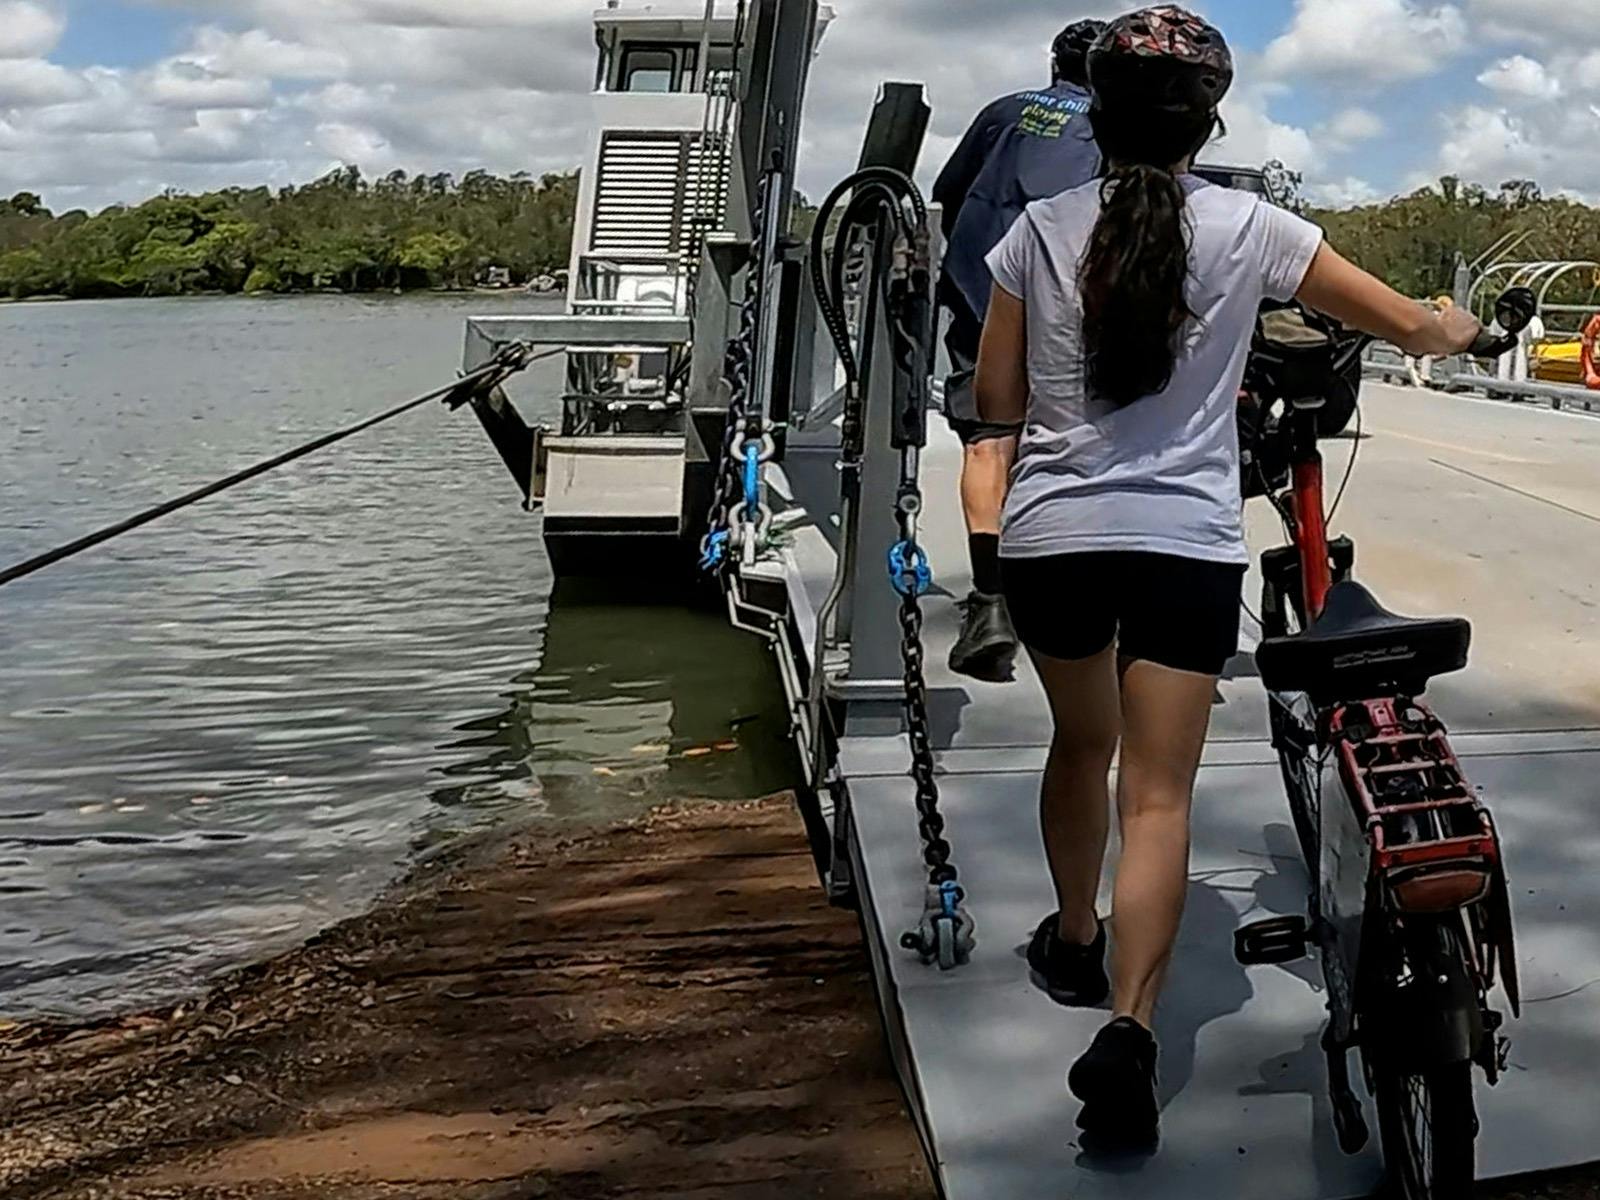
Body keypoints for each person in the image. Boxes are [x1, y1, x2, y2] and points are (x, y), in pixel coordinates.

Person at [973, 5, 1485, 1148]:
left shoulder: (1037, 233)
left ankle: (1072, 937)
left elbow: (995, 400)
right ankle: (1131, 1030)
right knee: (1156, 798)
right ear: (1207, 123)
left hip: (1054, 539)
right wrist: (1449, 327)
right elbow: (1406, 327)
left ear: (1096, 117)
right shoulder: (1256, 228)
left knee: (1081, 746)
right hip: (1183, 548)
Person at [931, 18, 1106, 682]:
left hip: (982, 295)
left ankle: (991, 606)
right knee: (1082, 444)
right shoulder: (1112, 126)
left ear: (1054, 65)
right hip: (1067, 303)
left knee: (988, 444)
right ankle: (1083, 600)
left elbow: (948, 193)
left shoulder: (1003, 112)